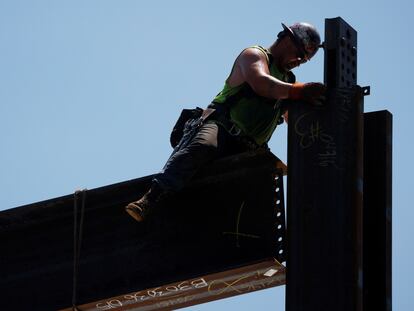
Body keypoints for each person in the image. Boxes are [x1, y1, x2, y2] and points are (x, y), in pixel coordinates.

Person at [126, 22, 326, 222]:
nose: (300, 60)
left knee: (263, 183)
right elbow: (261, 83)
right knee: (203, 146)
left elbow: (294, 120)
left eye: (305, 59)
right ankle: (150, 198)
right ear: (286, 39)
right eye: (299, 52)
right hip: (221, 128)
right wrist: (298, 91)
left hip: (249, 147)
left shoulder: (288, 80)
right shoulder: (254, 55)